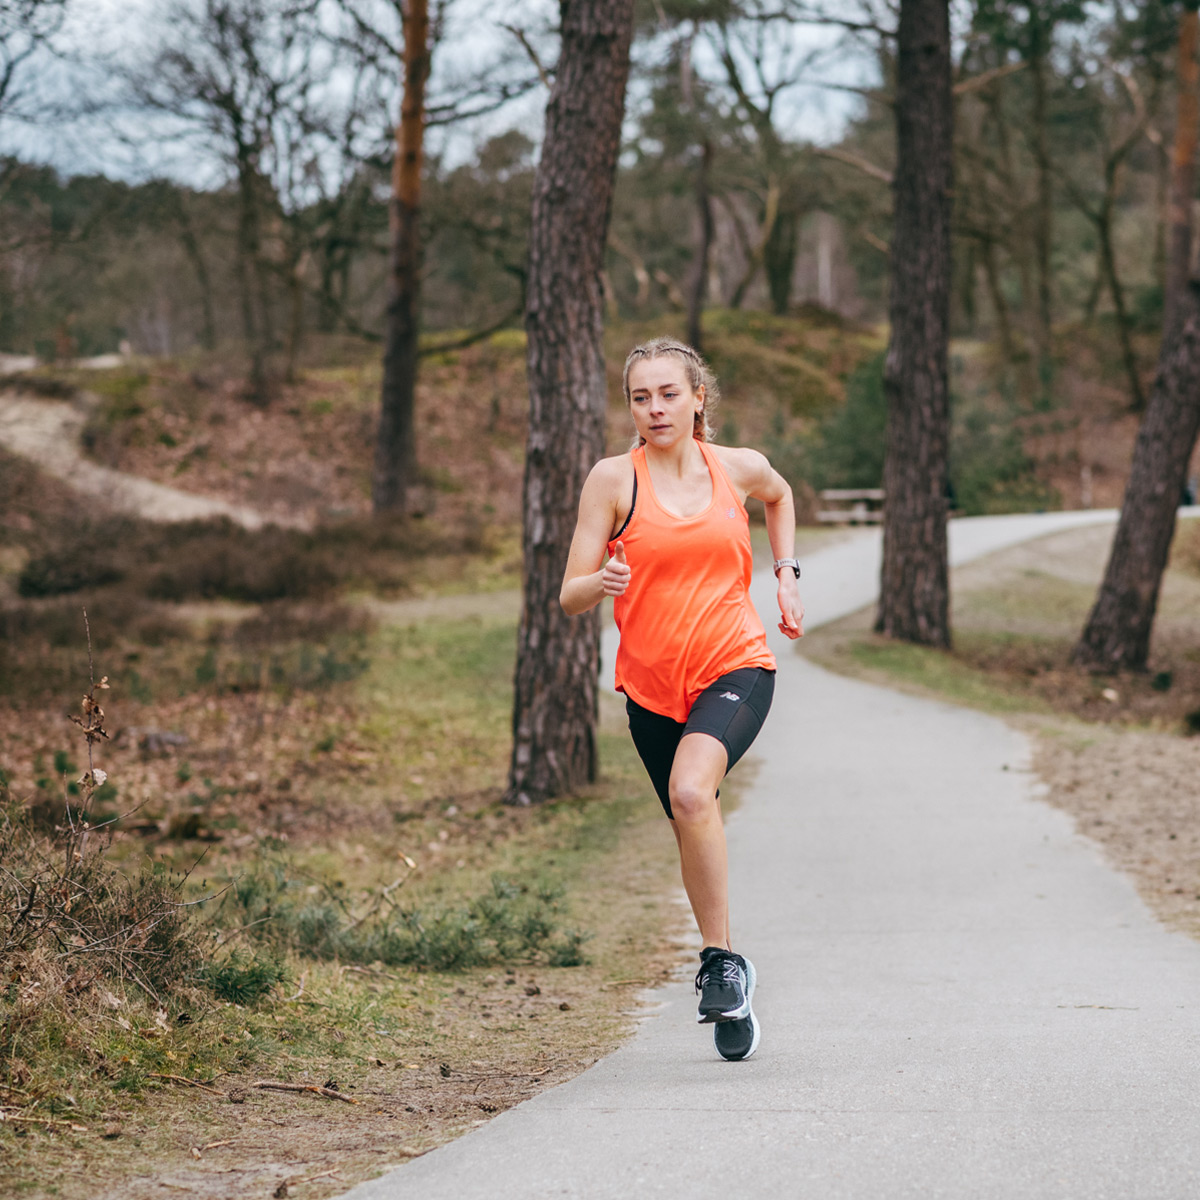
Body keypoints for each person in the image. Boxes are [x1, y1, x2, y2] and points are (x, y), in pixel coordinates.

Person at [560, 336, 804, 1062]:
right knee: (689, 817)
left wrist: (785, 573)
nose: (655, 408)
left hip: (735, 663)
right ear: (629, 406)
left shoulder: (735, 468)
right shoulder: (612, 481)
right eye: (640, 397)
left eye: (669, 393)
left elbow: (780, 494)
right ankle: (727, 972)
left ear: (699, 397)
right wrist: (599, 584)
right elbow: (569, 594)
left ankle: (717, 963)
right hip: (651, 688)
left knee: (693, 794)